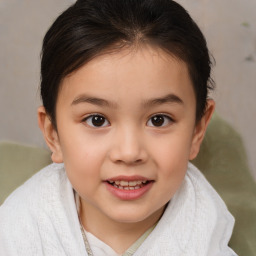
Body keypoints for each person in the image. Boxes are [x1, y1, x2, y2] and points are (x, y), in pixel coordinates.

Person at [0, 0, 238, 255]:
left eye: (159, 120)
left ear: (197, 131)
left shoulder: (207, 242)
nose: (129, 152)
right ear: (53, 135)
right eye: (97, 120)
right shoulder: (16, 233)